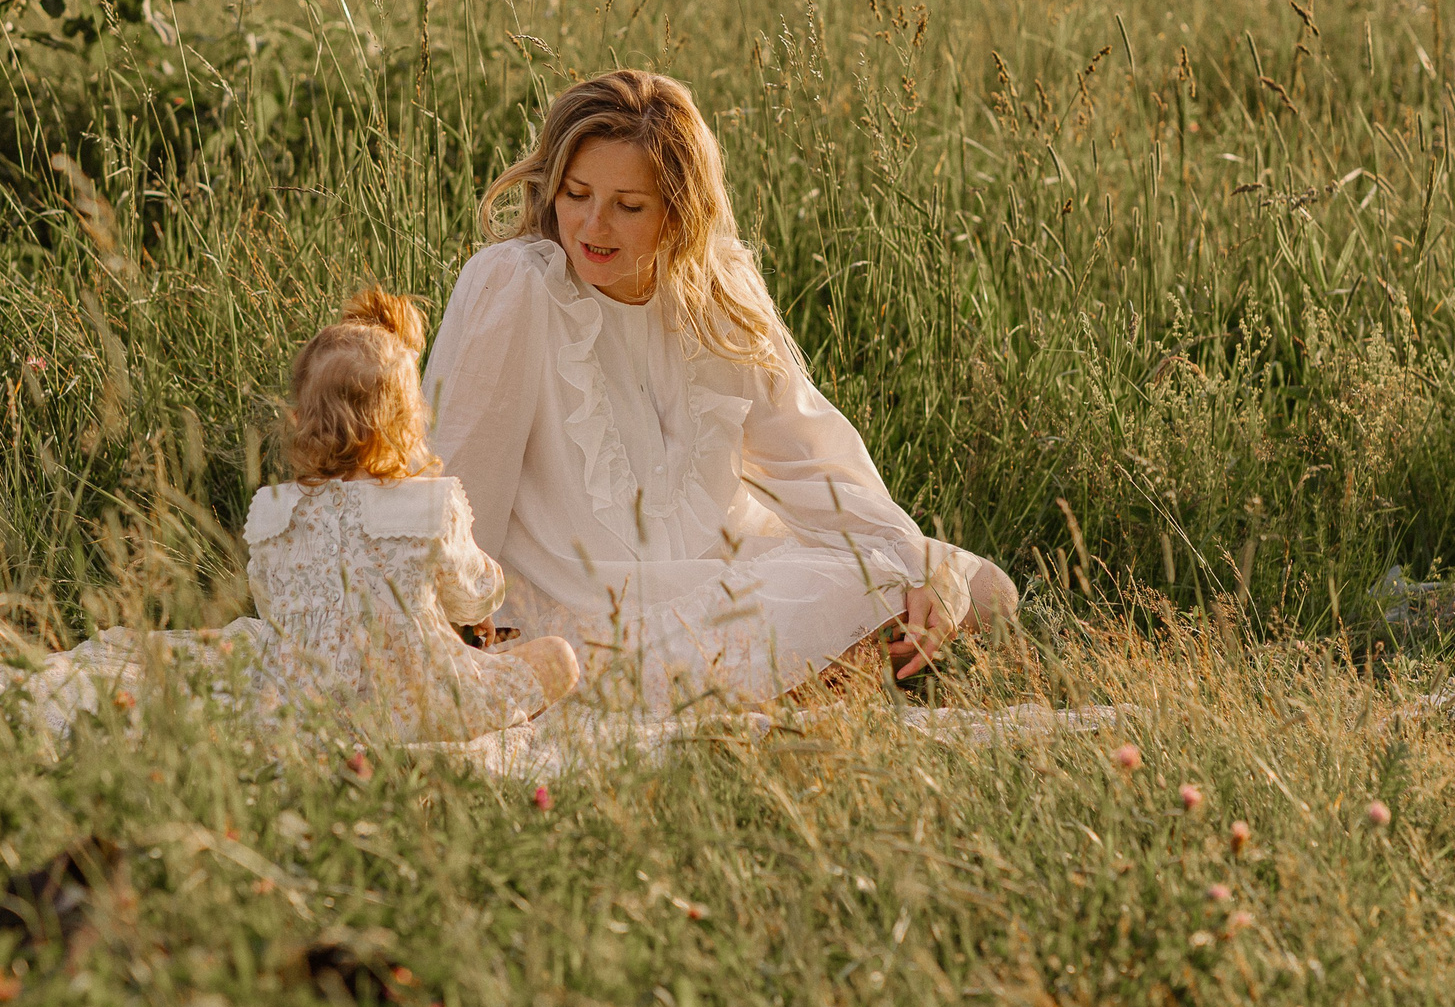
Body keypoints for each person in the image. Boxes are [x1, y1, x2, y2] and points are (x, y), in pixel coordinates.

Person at [422, 71, 1016, 709]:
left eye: (628, 205)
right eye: (576, 193)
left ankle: (781, 689)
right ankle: (782, 692)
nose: (593, 225)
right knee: (846, 621)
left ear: (680, 211)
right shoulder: (516, 284)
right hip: (580, 610)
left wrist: (909, 559)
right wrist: (457, 624)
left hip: (719, 580)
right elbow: (460, 475)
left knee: (982, 591)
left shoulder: (718, 289)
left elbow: (810, 456)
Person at [239, 287, 582, 742]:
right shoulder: (430, 506)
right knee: (557, 656)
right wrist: (472, 616)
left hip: (305, 709)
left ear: (299, 418)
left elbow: (275, 608)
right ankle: (498, 713)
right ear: (407, 422)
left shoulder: (271, 513)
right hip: (419, 708)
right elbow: (475, 591)